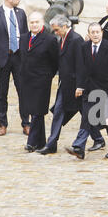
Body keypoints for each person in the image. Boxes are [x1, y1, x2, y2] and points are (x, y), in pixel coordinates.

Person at [66, 22, 108, 159]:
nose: (95, 34)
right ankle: (79, 147)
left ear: (102, 32)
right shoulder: (84, 47)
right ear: (89, 34)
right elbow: (80, 68)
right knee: (86, 118)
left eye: (97, 32)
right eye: (92, 32)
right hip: (89, 89)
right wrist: (79, 86)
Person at [36, 15, 85, 155]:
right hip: (65, 84)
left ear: (64, 26)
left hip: (75, 85)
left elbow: (81, 64)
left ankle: (99, 138)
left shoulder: (76, 39)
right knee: (58, 111)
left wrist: (80, 86)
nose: (55, 33)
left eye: (57, 30)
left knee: (85, 113)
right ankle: (51, 144)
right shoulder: (62, 38)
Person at [0, 0, 30, 136]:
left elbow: (26, 35)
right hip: (3, 58)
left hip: (19, 57)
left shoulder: (21, 13)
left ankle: (26, 123)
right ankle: (3, 124)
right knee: (2, 93)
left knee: (23, 91)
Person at [20, 12, 59, 152]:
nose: (34, 25)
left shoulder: (49, 40)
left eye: (37, 22)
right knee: (34, 111)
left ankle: (31, 142)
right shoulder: (24, 38)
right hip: (27, 80)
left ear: (42, 23)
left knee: (37, 111)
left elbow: (55, 61)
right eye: (31, 22)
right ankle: (41, 141)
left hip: (42, 81)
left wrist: (48, 75)